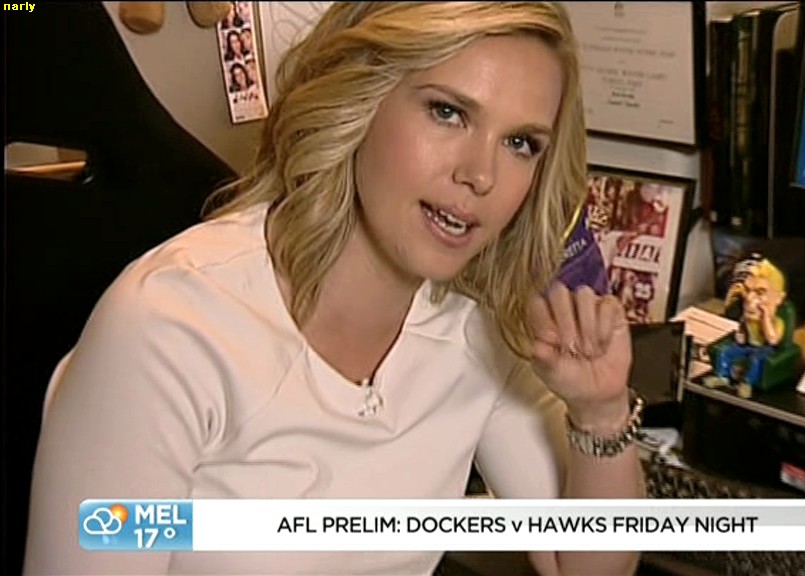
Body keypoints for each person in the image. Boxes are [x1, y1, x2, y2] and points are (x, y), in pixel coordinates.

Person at [24, 3, 643, 576]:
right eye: (447, 112)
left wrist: (601, 413)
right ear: (359, 97)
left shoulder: (474, 325)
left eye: (520, 143)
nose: (481, 175)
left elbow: (578, 564)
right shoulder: (172, 326)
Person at [714, 258, 788, 391]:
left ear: (779, 298)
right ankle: (722, 377)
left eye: (760, 293)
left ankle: (747, 384)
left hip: (765, 348)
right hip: (748, 346)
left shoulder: (777, 321)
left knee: (755, 358)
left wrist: (765, 317)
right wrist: (740, 334)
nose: (749, 298)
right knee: (725, 351)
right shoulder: (748, 318)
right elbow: (742, 335)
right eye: (747, 291)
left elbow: (772, 340)